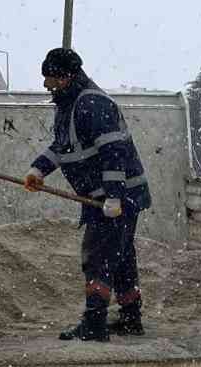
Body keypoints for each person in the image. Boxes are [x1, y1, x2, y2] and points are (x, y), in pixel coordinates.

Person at [24, 47, 153, 342]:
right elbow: (61, 147)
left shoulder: (92, 104)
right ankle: (131, 318)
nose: (46, 85)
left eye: (51, 78)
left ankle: (94, 324)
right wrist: (38, 170)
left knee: (98, 255)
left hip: (119, 195)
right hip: (105, 195)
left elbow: (113, 153)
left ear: (67, 77)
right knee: (119, 256)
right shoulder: (68, 106)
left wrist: (115, 197)